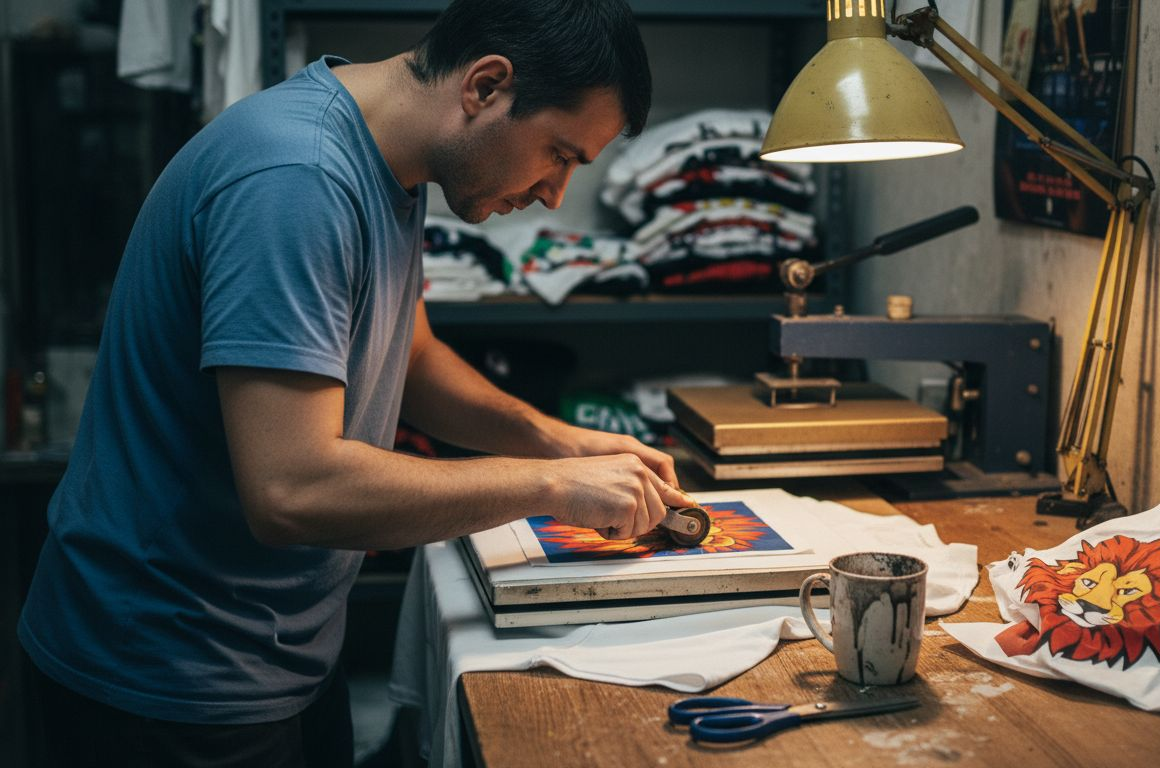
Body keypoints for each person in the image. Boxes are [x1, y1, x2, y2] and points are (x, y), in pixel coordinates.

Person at [18, 1, 686, 765]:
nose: (555, 193)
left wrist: (560, 442)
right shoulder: (295, 180)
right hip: (165, 673)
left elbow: (412, 355)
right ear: (485, 86)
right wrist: (553, 486)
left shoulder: (390, 160)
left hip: (274, 648)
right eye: (559, 155)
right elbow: (292, 490)